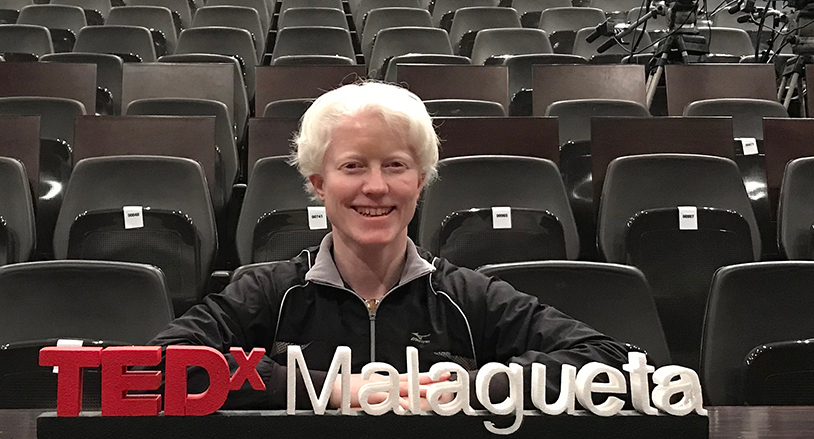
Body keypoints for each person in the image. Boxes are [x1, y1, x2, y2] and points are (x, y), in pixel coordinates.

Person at [152, 81, 639, 410]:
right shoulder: (267, 291)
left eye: (396, 166)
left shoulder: (470, 296)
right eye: (353, 167)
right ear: (318, 184)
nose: (376, 186)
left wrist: (471, 386)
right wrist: (336, 388)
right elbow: (156, 366)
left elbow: (614, 359)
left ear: (421, 181)